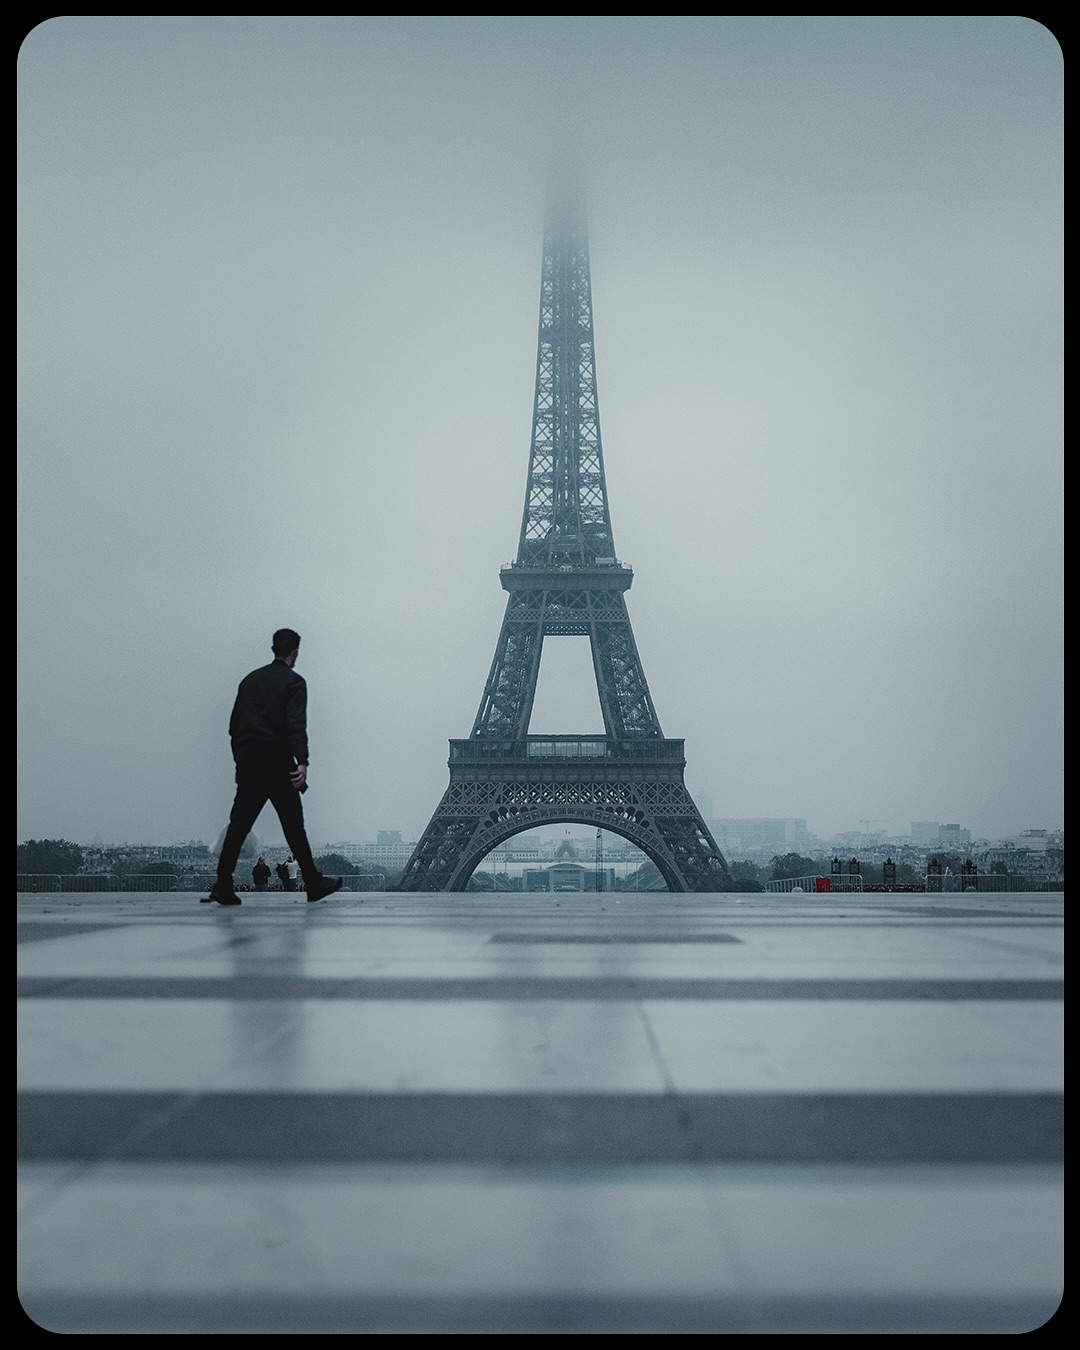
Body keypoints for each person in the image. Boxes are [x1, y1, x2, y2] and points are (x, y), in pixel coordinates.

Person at [203, 628, 343, 906]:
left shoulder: (250, 681)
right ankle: (313, 882)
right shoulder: (294, 683)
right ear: (295, 652)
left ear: (273, 648)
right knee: (294, 827)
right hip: (278, 763)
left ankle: (223, 883)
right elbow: (295, 725)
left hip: (250, 761)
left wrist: (240, 758)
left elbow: (233, 727)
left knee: (239, 825)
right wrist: (302, 761)